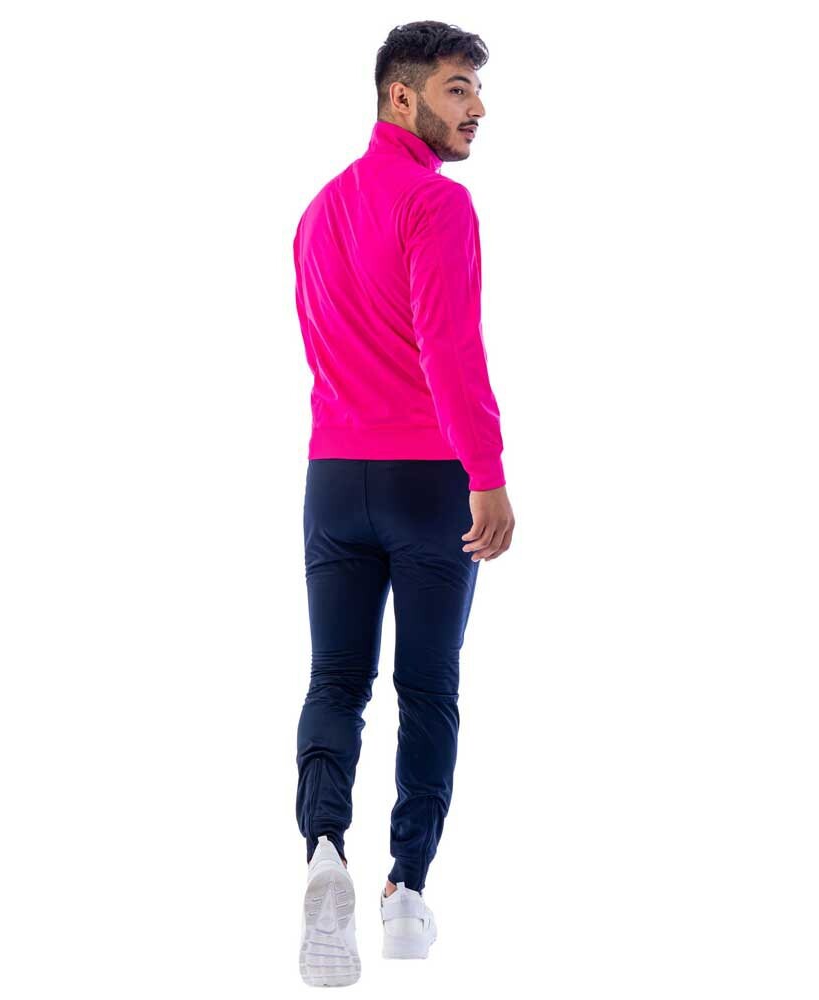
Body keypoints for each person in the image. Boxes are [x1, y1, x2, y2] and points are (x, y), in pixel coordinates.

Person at [293, 21, 515, 985]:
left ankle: (323, 847)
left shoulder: (318, 211)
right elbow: (449, 347)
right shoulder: (437, 203)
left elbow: (322, 342)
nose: (478, 108)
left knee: (336, 680)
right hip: (428, 482)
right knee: (428, 687)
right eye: (458, 89)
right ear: (401, 96)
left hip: (333, 477)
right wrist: (487, 473)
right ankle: (406, 891)